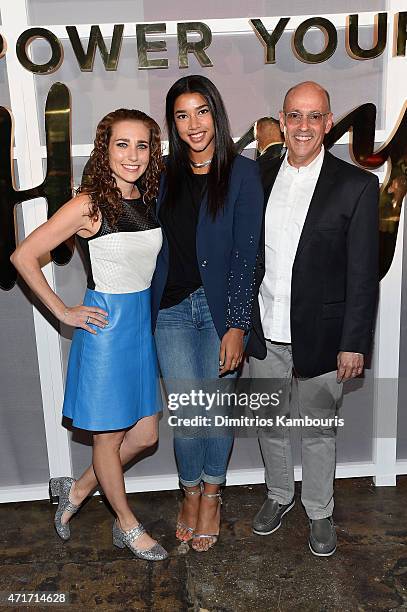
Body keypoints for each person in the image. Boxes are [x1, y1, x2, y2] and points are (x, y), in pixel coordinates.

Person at [11, 108, 168, 561]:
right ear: (105, 149)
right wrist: (63, 311)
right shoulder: (88, 204)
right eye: (122, 144)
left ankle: (77, 492)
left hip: (139, 327)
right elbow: (24, 255)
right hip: (105, 330)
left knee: (144, 436)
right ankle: (127, 525)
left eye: (142, 145)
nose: (132, 155)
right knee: (107, 439)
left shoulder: (144, 195)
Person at [246, 81, 379, 556]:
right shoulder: (256, 176)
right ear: (282, 121)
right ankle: (279, 495)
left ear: (328, 123)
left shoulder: (357, 186)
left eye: (314, 116)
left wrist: (355, 341)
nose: (303, 126)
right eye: (294, 116)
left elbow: (363, 275)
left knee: (320, 430)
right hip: (263, 332)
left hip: (324, 336)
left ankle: (319, 511)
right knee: (271, 424)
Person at [151, 75, 263, 552]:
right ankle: (189, 492)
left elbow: (247, 254)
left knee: (215, 413)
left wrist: (237, 324)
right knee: (189, 416)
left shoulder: (241, 173)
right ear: (172, 124)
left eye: (200, 112)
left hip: (218, 311)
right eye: (181, 115)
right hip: (171, 310)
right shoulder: (161, 173)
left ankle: (212, 496)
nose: (192, 124)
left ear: (215, 114)